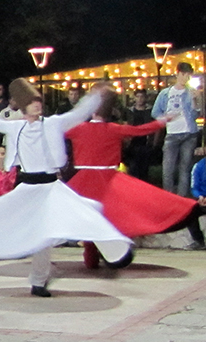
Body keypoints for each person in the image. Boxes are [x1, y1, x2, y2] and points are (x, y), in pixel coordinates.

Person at [0, 79, 133, 297]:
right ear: (24, 106)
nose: (37, 105)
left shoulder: (53, 123)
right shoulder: (16, 126)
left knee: (89, 209)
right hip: (28, 188)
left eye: (39, 102)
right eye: (32, 103)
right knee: (31, 233)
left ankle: (117, 252)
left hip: (52, 186)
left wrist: (95, 96)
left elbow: (78, 113)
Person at [66, 90, 201, 262]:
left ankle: (91, 255)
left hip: (83, 180)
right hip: (108, 179)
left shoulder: (78, 129)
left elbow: (55, 132)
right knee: (111, 217)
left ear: (92, 111)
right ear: (110, 112)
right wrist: (162, 121)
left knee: (87, 217)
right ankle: (103, 254)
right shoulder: (114, 129)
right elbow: (140, 130)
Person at [152, 63, 202, 198]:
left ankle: (182, 198)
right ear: (178, 74)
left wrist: (194, 101)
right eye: (184, 74)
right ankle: (168, 197)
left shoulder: (190, 92)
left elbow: (196, 115)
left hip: (189, 133)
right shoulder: (165, 93)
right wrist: (166, 118)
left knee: (185, 169)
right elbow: (155, 112)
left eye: (188, 76)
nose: (185, 78)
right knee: (167, 169)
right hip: (172, 134)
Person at [124, 90, 156, 182]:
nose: (140, 99)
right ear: (134, 98)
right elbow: (125, 125)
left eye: (142, 97)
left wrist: (153, 142)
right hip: (132, 143)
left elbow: (155, 127)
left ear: (145, 98)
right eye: (137, 97)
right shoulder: (129, 111)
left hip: (145, 142)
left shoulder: (150, 112)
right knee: (133, 168)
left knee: (144, 169)